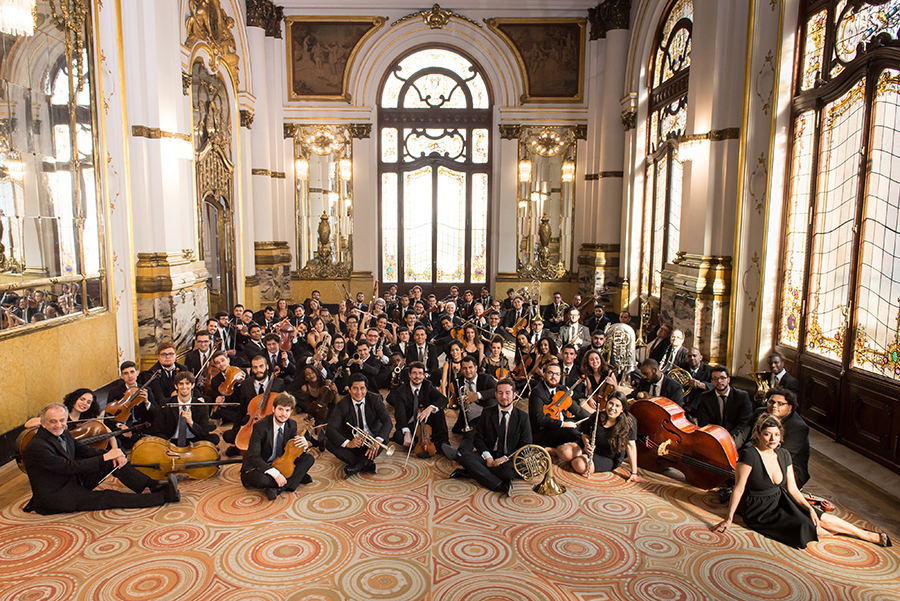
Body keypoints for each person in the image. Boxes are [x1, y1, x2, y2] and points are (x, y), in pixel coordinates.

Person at [711, 413, 891, 549]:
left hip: (780, 499)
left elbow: (793, 490)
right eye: (767, 434)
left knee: (819, 517)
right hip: (758, 508)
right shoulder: (749, 455)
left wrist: (809, 509)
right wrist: (729, 518)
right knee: (805, 526)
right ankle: (839, 535)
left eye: (776, 434)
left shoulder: (784, 454)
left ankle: (867, 535)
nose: (772, 439)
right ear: (757, 434)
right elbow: (739, 488)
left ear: (781, 436)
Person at [22, 403, 179, 514]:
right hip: (57, 496)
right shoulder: (37, 446)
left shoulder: (63, 432)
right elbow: (69, 467)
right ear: (42, 423)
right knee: (108, 497)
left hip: (72, 481)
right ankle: (163, 497)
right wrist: (105, 457)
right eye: (52, 421)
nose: (58, 425)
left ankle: (153, 484)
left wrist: (113, 453)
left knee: (113, 460)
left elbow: (83, 450)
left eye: (62, 420)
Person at [446, 379, 532, 495]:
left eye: (507, 393)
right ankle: (499, 484)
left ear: (514, 395)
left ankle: (471, 471)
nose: (504, 397)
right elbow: (478, 438)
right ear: (496, 395)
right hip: (491, 453)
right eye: (500, 393)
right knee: (465, 457)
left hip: (509, 457)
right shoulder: (487, 412)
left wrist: (505, 458)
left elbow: (526, 445)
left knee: (508, 472)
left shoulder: (523, 417)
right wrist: (488, 457)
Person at [240, 393, 315, 501]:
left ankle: (277, 489)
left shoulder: (292, 424)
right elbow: (253, 456)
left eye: (287, 410)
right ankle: (293, 480)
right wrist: (275, 474)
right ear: (273, 409)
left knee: (309, 459)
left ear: (291, 411)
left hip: (280, 462)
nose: (283, 414)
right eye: (280, 409)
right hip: (260, 466)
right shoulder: (260, 426)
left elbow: (292, 452)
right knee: (262, 480)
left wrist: (304, 445)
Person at [736, 387, 811, 488]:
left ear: (790, 407)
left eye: (780, 404)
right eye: (771, 402)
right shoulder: (760, 413)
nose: (774, 406)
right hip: (759, 454)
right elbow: (742, 435)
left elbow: (780, 454)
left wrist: (748, 457)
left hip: (789, 467)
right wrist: (729, 451)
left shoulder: (799, 427)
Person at [326, 374, 392, 477]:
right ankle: (364, 463)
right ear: (349, 390)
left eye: (362, 388)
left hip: (372, 441)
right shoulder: (342, 404)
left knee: (384, 437)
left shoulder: (375, 399)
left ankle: (357, 465)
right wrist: (348, 443)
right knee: (329, 443)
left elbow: (388, 421)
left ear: (366, 389)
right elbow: (330, 428)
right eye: (355, 389)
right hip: (353, 443)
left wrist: (377, 441)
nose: (359, 392)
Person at [570, 392, 643, 481]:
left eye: (617, 406)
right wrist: (586, 444)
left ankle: (579, 457)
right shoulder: (597, 416)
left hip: (609, 456)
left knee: (579, 465)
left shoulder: (629, 422)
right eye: (611, 403)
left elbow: (631, 447)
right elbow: (585, 434)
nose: (612, 408)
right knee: (565, 452)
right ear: (606, 403)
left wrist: (634, 473)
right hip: (592, 448)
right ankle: (557, 452)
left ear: (622, 409)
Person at [529, 363, 590, 457]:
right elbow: (539, 418)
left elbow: (576, 410)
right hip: (544, 431)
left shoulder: (561, 390)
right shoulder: (537, 392)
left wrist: (592, 418)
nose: (554, 377)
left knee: (584, 425)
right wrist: (563, 424)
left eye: (557, 374)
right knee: (574, 433)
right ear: (544, 374)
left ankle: (559, 450)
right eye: (551, 373)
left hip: (560, 425)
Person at [387, 362, 449, 453]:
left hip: (427, 420)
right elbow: (400, 414)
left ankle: (444, 443)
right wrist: (407, 432)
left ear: (424, 375)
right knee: (399, 437)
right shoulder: (401, 391)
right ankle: (427, 440)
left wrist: (430, 408)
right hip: (411, 422)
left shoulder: (427, 385)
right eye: (414, 373)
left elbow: (443, 399)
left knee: (438, 410)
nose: (417, 376)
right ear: (409, 375)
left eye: (420, 373)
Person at [148, 371, 219, 444]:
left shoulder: (201, 406)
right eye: (181, 384)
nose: (184, 387)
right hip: (171, 441)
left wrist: (191, 423)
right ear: (176, 386)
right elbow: (157, 430)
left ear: (192, 385)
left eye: (187, 383)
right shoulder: (165, 403)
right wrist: (168, 444)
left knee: (214, 438)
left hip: (193, 441)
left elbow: (203, 433)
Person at [693, 365, 753, 440]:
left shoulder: (742, 396)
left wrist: (727, 438)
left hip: (736, 434)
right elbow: (703, 423)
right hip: (714, 435)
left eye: (722, 378)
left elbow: (743, 423)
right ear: (711, 381)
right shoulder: (706, 397)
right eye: (715, 378)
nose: (719, 381)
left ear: (728, 379)